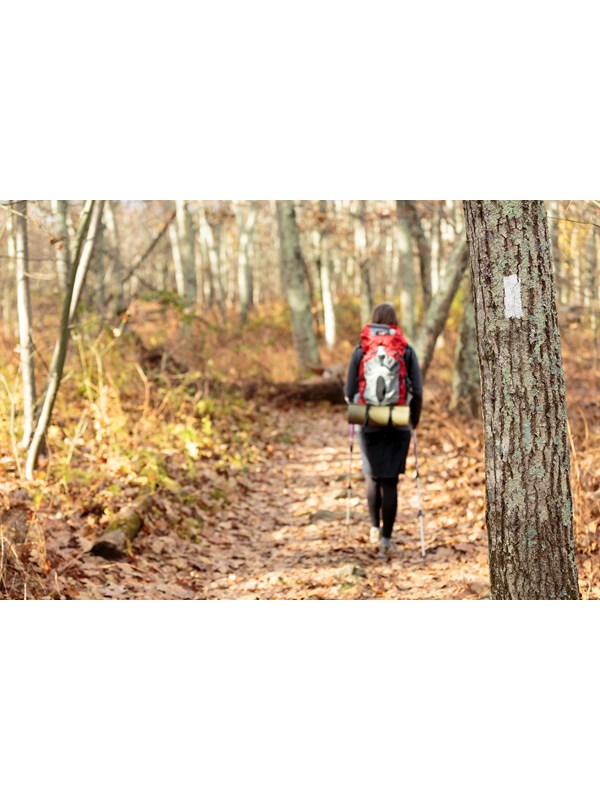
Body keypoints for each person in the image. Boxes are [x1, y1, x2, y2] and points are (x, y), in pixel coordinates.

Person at [344, 303, 423, 558]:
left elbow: (348, 391)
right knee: (390, 481)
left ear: (374, 321)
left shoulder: (361, 349)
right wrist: (414, 420)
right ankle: (387, 539)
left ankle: (374, 528)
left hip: (368, 421)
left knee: (372, 477)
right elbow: (418, 391)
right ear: (395, 322)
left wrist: (359, 408)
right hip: (399, 421)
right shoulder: (405, 350)